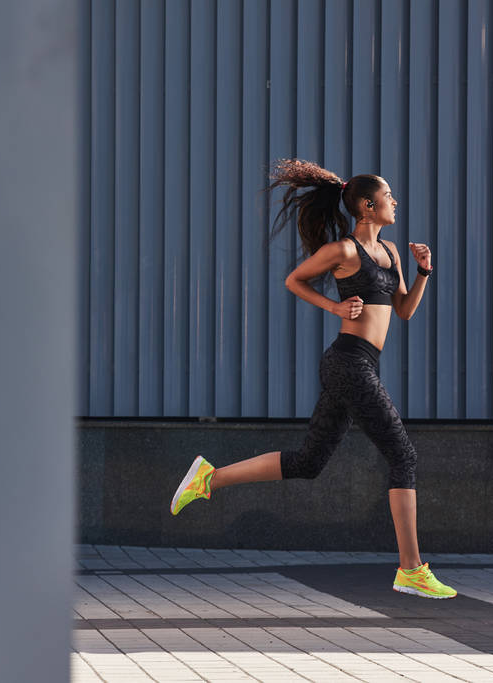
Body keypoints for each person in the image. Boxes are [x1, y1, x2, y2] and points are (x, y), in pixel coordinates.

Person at [169, 158, 456, 599]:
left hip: (360, 364)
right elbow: (294, 280)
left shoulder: (392, 252)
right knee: (403, 455)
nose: (395, 201)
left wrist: (423, 272)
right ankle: (411, 569)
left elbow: (404, 310)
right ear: (367, 206)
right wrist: (336, 307)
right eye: (388, 196)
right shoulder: (344, 252)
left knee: (309, 462)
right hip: (348, 363)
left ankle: (209, 478)